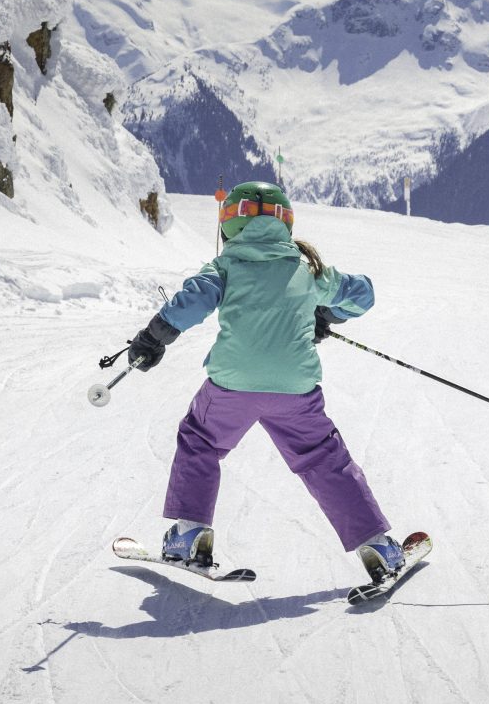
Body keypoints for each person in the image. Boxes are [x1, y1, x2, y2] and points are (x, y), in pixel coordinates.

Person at [124, 181, 406, 582]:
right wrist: (326, 314)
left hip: (232, 385)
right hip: (295, 389)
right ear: (285, 222)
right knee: (324, 459)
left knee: (200, 442)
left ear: (230, 224)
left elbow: (190, 303)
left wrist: (152, 340)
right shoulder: (307, 268)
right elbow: (362, 295)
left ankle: (189, 537)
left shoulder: (225, 266)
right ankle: (378, 550)